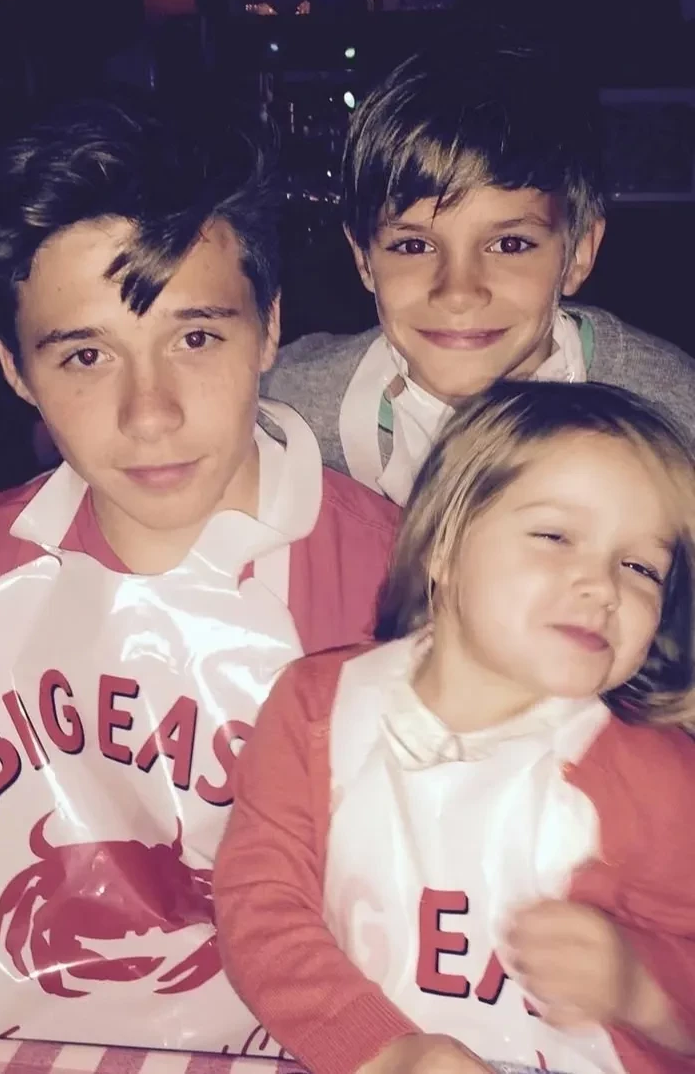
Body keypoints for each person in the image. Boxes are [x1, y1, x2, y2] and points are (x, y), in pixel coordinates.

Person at [0, 94, 399, 1052]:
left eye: (196, 337)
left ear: (270, 327)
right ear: (15, 370)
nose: (150, 412)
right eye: (86, 355)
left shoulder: (405, 586)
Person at [215, 381, 695, 1074]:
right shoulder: (315, 708)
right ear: (443, 548)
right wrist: (381, 1050)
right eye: (555, 537)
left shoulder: (662, 779)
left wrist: (640, 984)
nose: (602, 586)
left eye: (641, 567)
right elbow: (261, 908)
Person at [263, 37, 695, 505]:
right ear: (364, 259)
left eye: (509, 245)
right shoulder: (283, 408)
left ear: (578, 253)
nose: (458, 292)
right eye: (413, 245)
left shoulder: (676, 417)